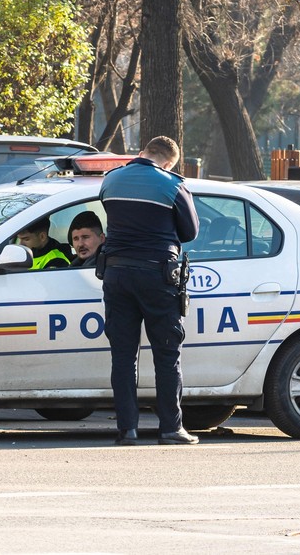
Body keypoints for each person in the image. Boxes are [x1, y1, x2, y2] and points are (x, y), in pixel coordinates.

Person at [99, 135, 200, 445]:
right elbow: (191, 231)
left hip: (116, 274)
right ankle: (171, 428)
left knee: (123, 356)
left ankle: (127, 430)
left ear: (142, 151)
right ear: (168, 162)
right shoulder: (172, 185)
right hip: (158, 277)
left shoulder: (111, 180)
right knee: (167, 354)